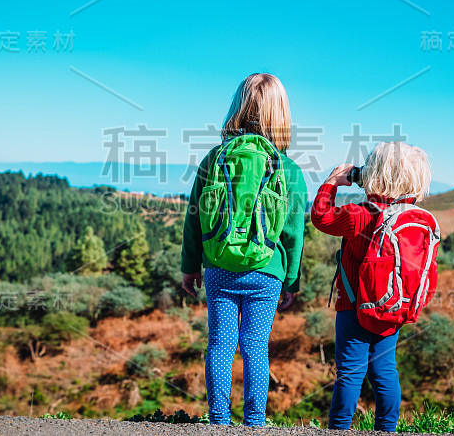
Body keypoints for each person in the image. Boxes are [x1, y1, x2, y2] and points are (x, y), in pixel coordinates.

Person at [180, 73, 307, 426]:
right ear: (282, 116)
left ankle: (219, 419)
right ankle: (254, 422)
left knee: (220, 343)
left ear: (237, 108)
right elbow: (294, 232)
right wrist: (292, 281)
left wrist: (190, 265)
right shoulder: (290, 170)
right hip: (267, 271)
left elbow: (195, 217)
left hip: (219, 265)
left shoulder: (214, 159)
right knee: (255, 345)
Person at [310, 141, 434, 432]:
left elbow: (321, 217)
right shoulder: (412, 218)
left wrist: (330, 183)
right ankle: (387, 429)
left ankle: (339, 428)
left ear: (372, 175)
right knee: (385, 370)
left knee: (350, 373)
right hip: (393, 306)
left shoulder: (360, 214)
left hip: (354, 307)